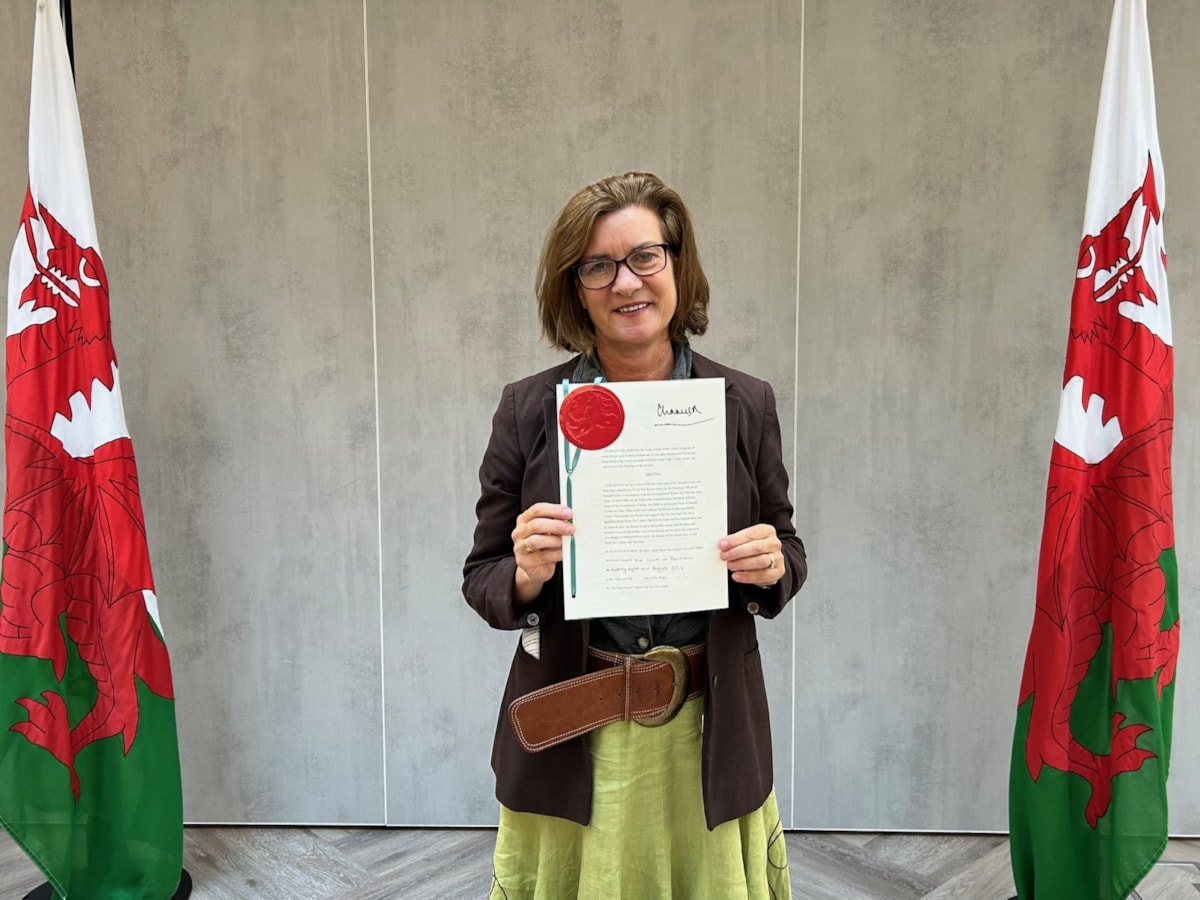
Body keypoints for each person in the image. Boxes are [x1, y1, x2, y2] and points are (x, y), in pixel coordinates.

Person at [463, 171, 807, 899]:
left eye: (645, 256)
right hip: (574, 732)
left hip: (707, 730)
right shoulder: (529, 410)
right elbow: (482, 576)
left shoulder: (744, 403)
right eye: (598, 265)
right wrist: (524, 572)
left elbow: (789, 552)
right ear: (575, 288)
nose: (627, 283)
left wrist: (771, 564)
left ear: (677, 265)